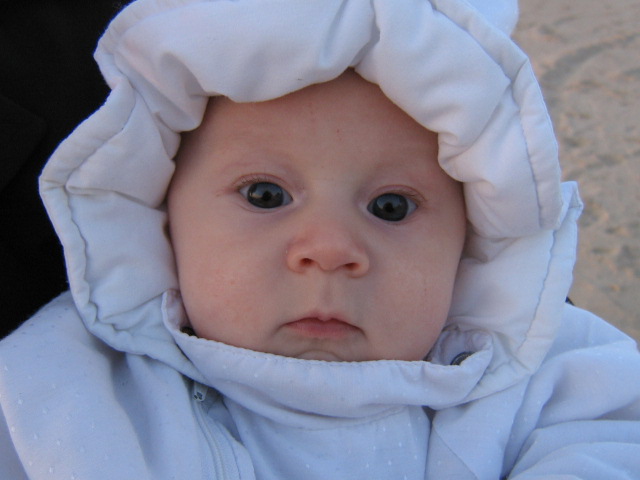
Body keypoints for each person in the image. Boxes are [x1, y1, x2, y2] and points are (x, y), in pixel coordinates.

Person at [1, 0, 639, 478]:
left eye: (391, 207)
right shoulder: (75, 388)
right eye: (265, 196)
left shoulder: (529, 376)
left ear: (470, 240)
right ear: (162, 222)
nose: (330, 248)